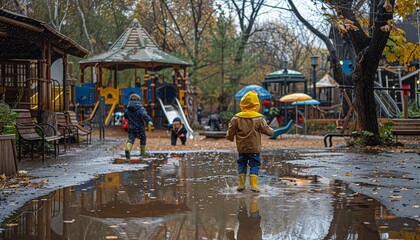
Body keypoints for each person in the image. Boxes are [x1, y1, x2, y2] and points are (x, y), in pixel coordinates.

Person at [226, 91, 274, 192]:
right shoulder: (259, 118)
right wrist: (272, 132)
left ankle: (241, 184)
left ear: (242, 105)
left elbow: (231, 130)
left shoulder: (236, 118)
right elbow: (266, 130)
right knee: (254, 164)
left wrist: (229, 137)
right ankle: (253, 184)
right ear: (256, 105)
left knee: (242, 164)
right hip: (254, 148)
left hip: (242, 148)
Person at [123, 94, 153, 159]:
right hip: (139, 128)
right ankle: (142, 152)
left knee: (131, 139)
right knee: (143, 138)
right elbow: (144, 115)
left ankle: (128, 149)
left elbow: (125, 116)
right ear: (138, 101)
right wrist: (149, 121)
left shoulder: (128, 109)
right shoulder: (140, 108)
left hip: (131, 128)